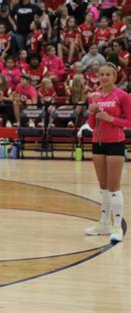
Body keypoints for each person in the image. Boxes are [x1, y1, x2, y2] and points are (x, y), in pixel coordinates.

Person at [84, 62, 131, 243]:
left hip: (115, 143)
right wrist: (91, 113)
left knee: (113, 186)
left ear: (115, 76)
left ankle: (117, 226)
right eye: (101, 74)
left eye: (108, 74)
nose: (104, 78)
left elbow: (129, 121)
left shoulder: (122, 95)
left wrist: (111, 118)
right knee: (103, 186)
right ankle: (103, 223)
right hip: (97, 142)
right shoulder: (94, 96)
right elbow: (90, 125)